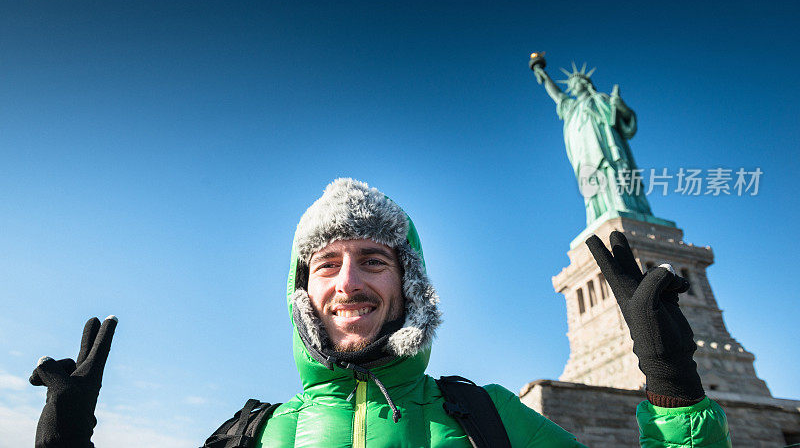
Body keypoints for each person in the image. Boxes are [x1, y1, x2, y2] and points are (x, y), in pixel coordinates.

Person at [30, 178, 732, 447]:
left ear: (409, 285)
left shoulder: (486, 419)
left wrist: (670, 383)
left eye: (374, 260)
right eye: (326, 264)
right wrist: (65, 443)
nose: (348, 283)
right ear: (303, 292)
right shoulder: (256, 435)